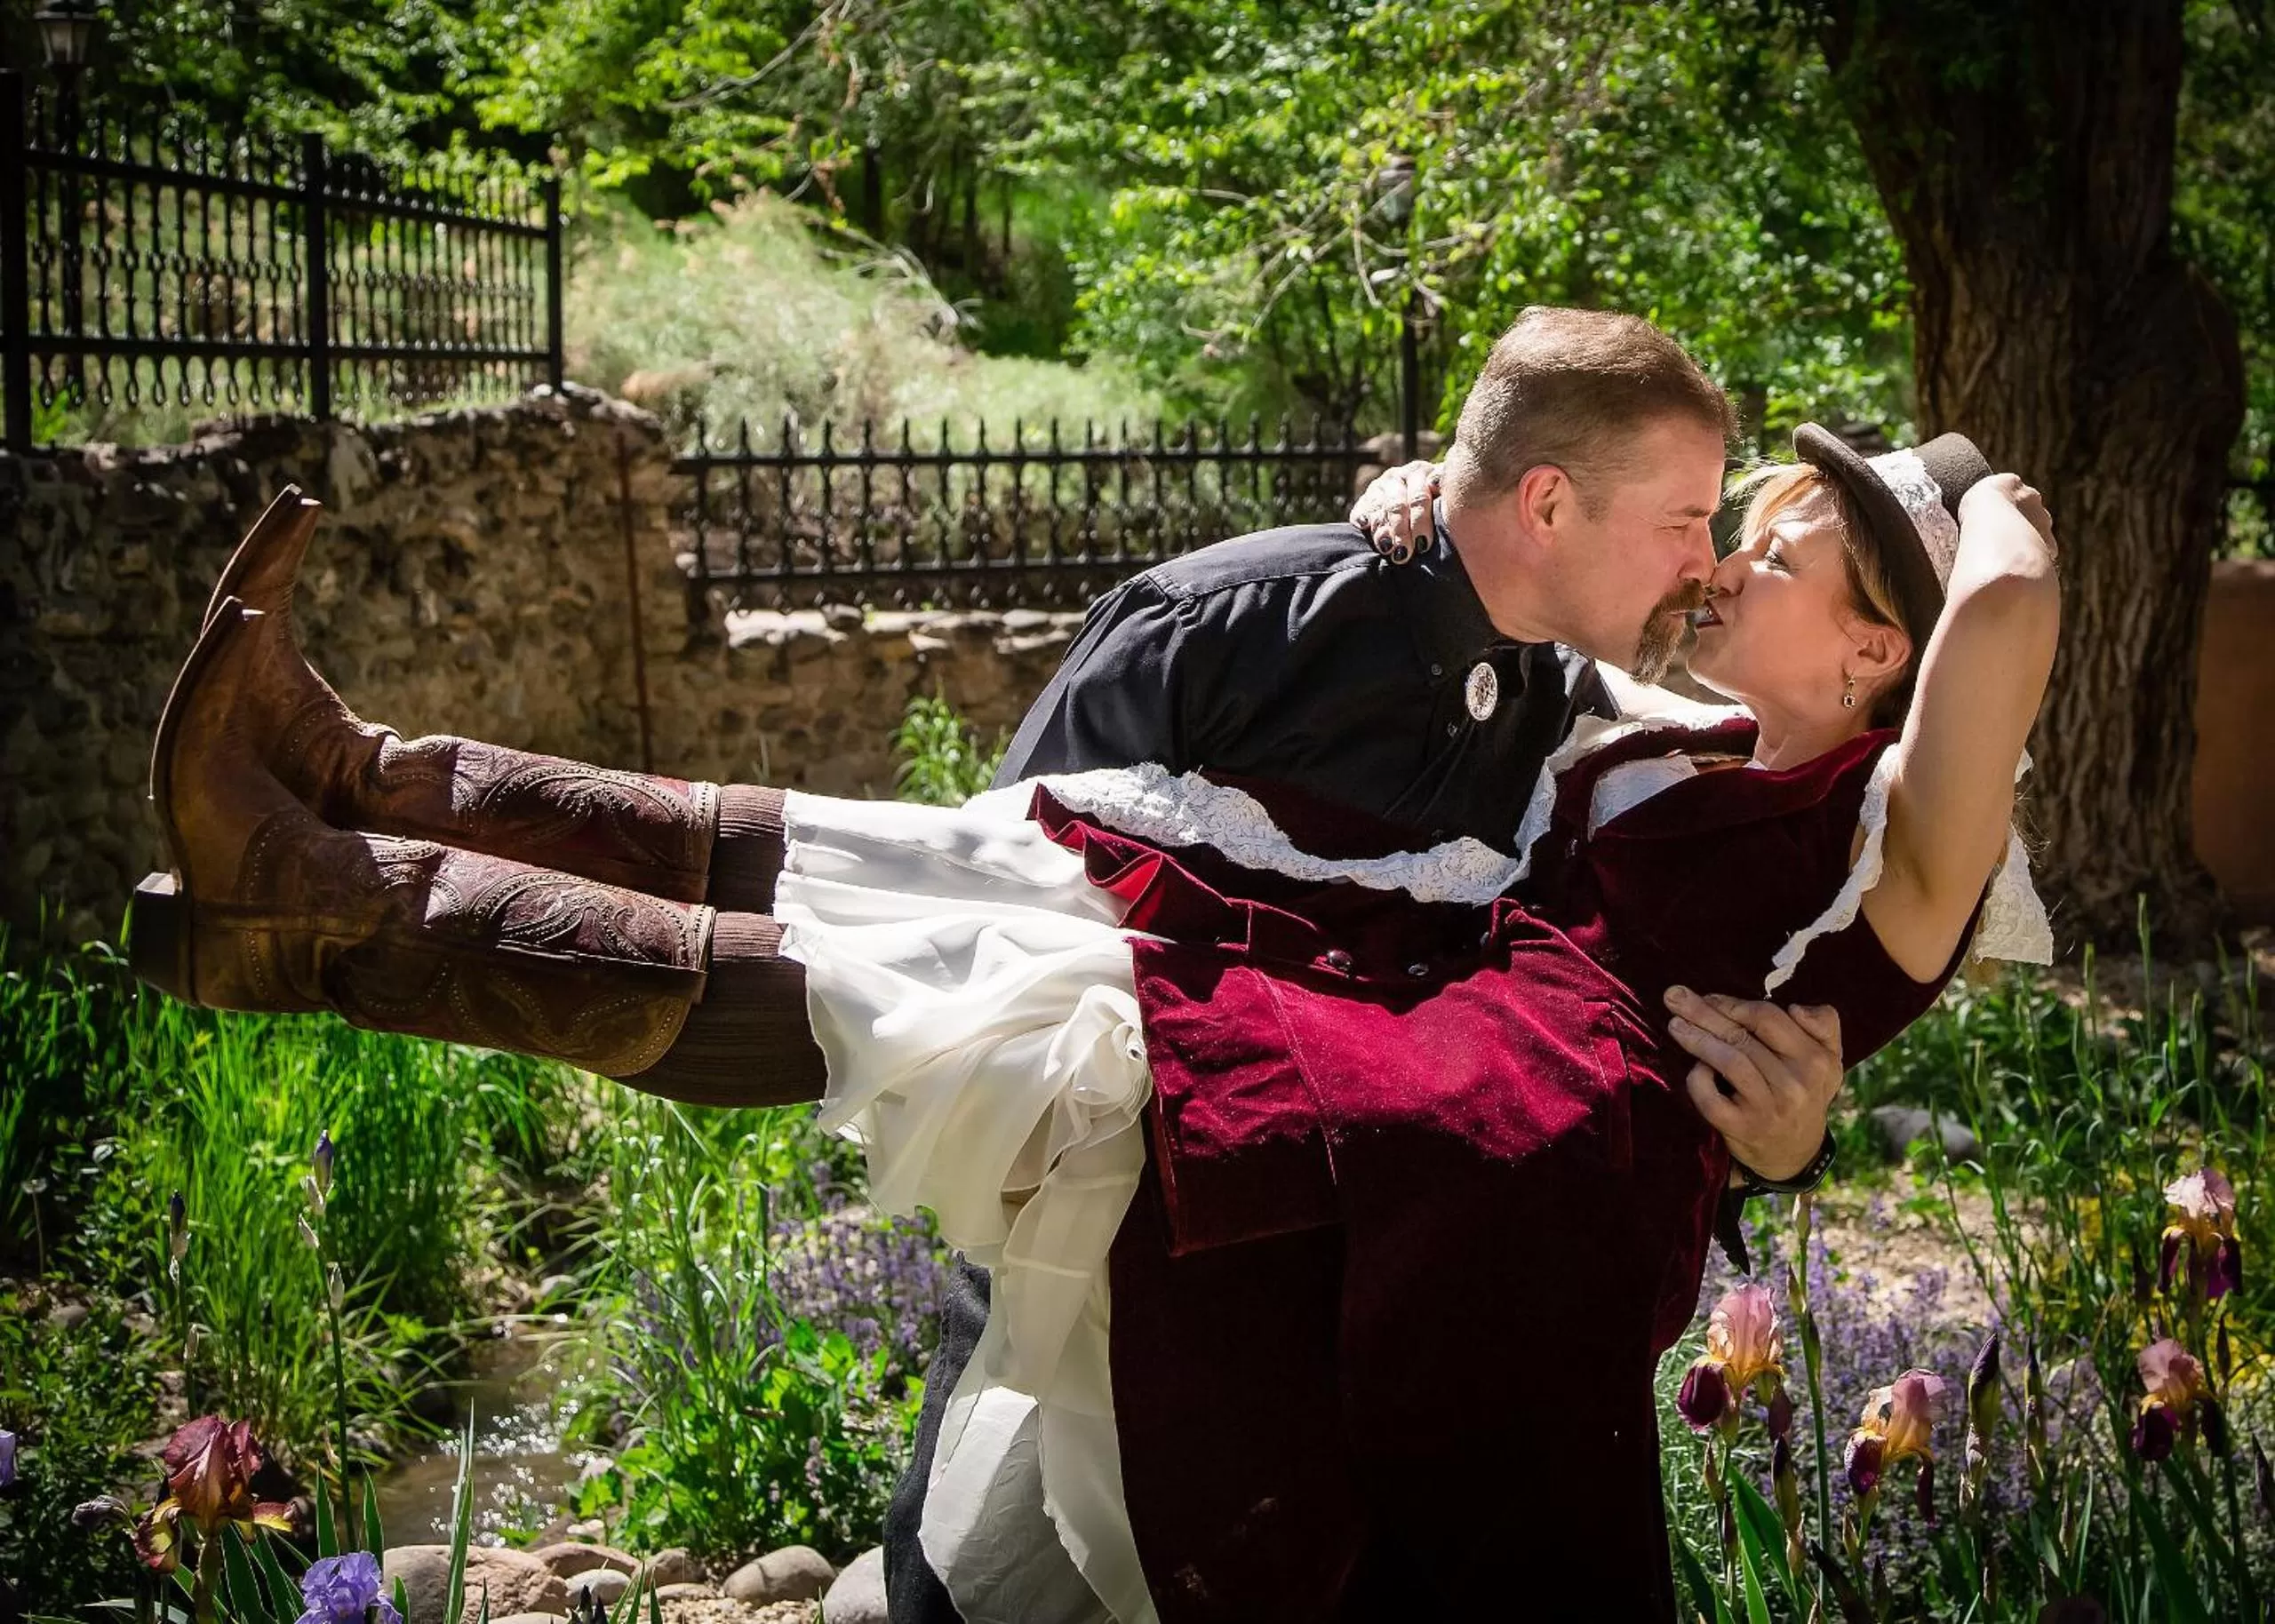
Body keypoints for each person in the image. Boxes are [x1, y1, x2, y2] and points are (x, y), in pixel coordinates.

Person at [121, 312, 2055, 1618]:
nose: (1723, 558)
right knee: (908, 865)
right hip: (1392, 995)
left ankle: (335, 921)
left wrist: (1976, 496)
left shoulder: (1895, 850)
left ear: (1880, 654)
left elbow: (2016, 606)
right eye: (1722, 525)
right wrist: (1427, 496)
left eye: (1779, 545)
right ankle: (348, 802)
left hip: (1497, 1134)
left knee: (998, 1010)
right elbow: (1521, 548)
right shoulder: (1636, 716)